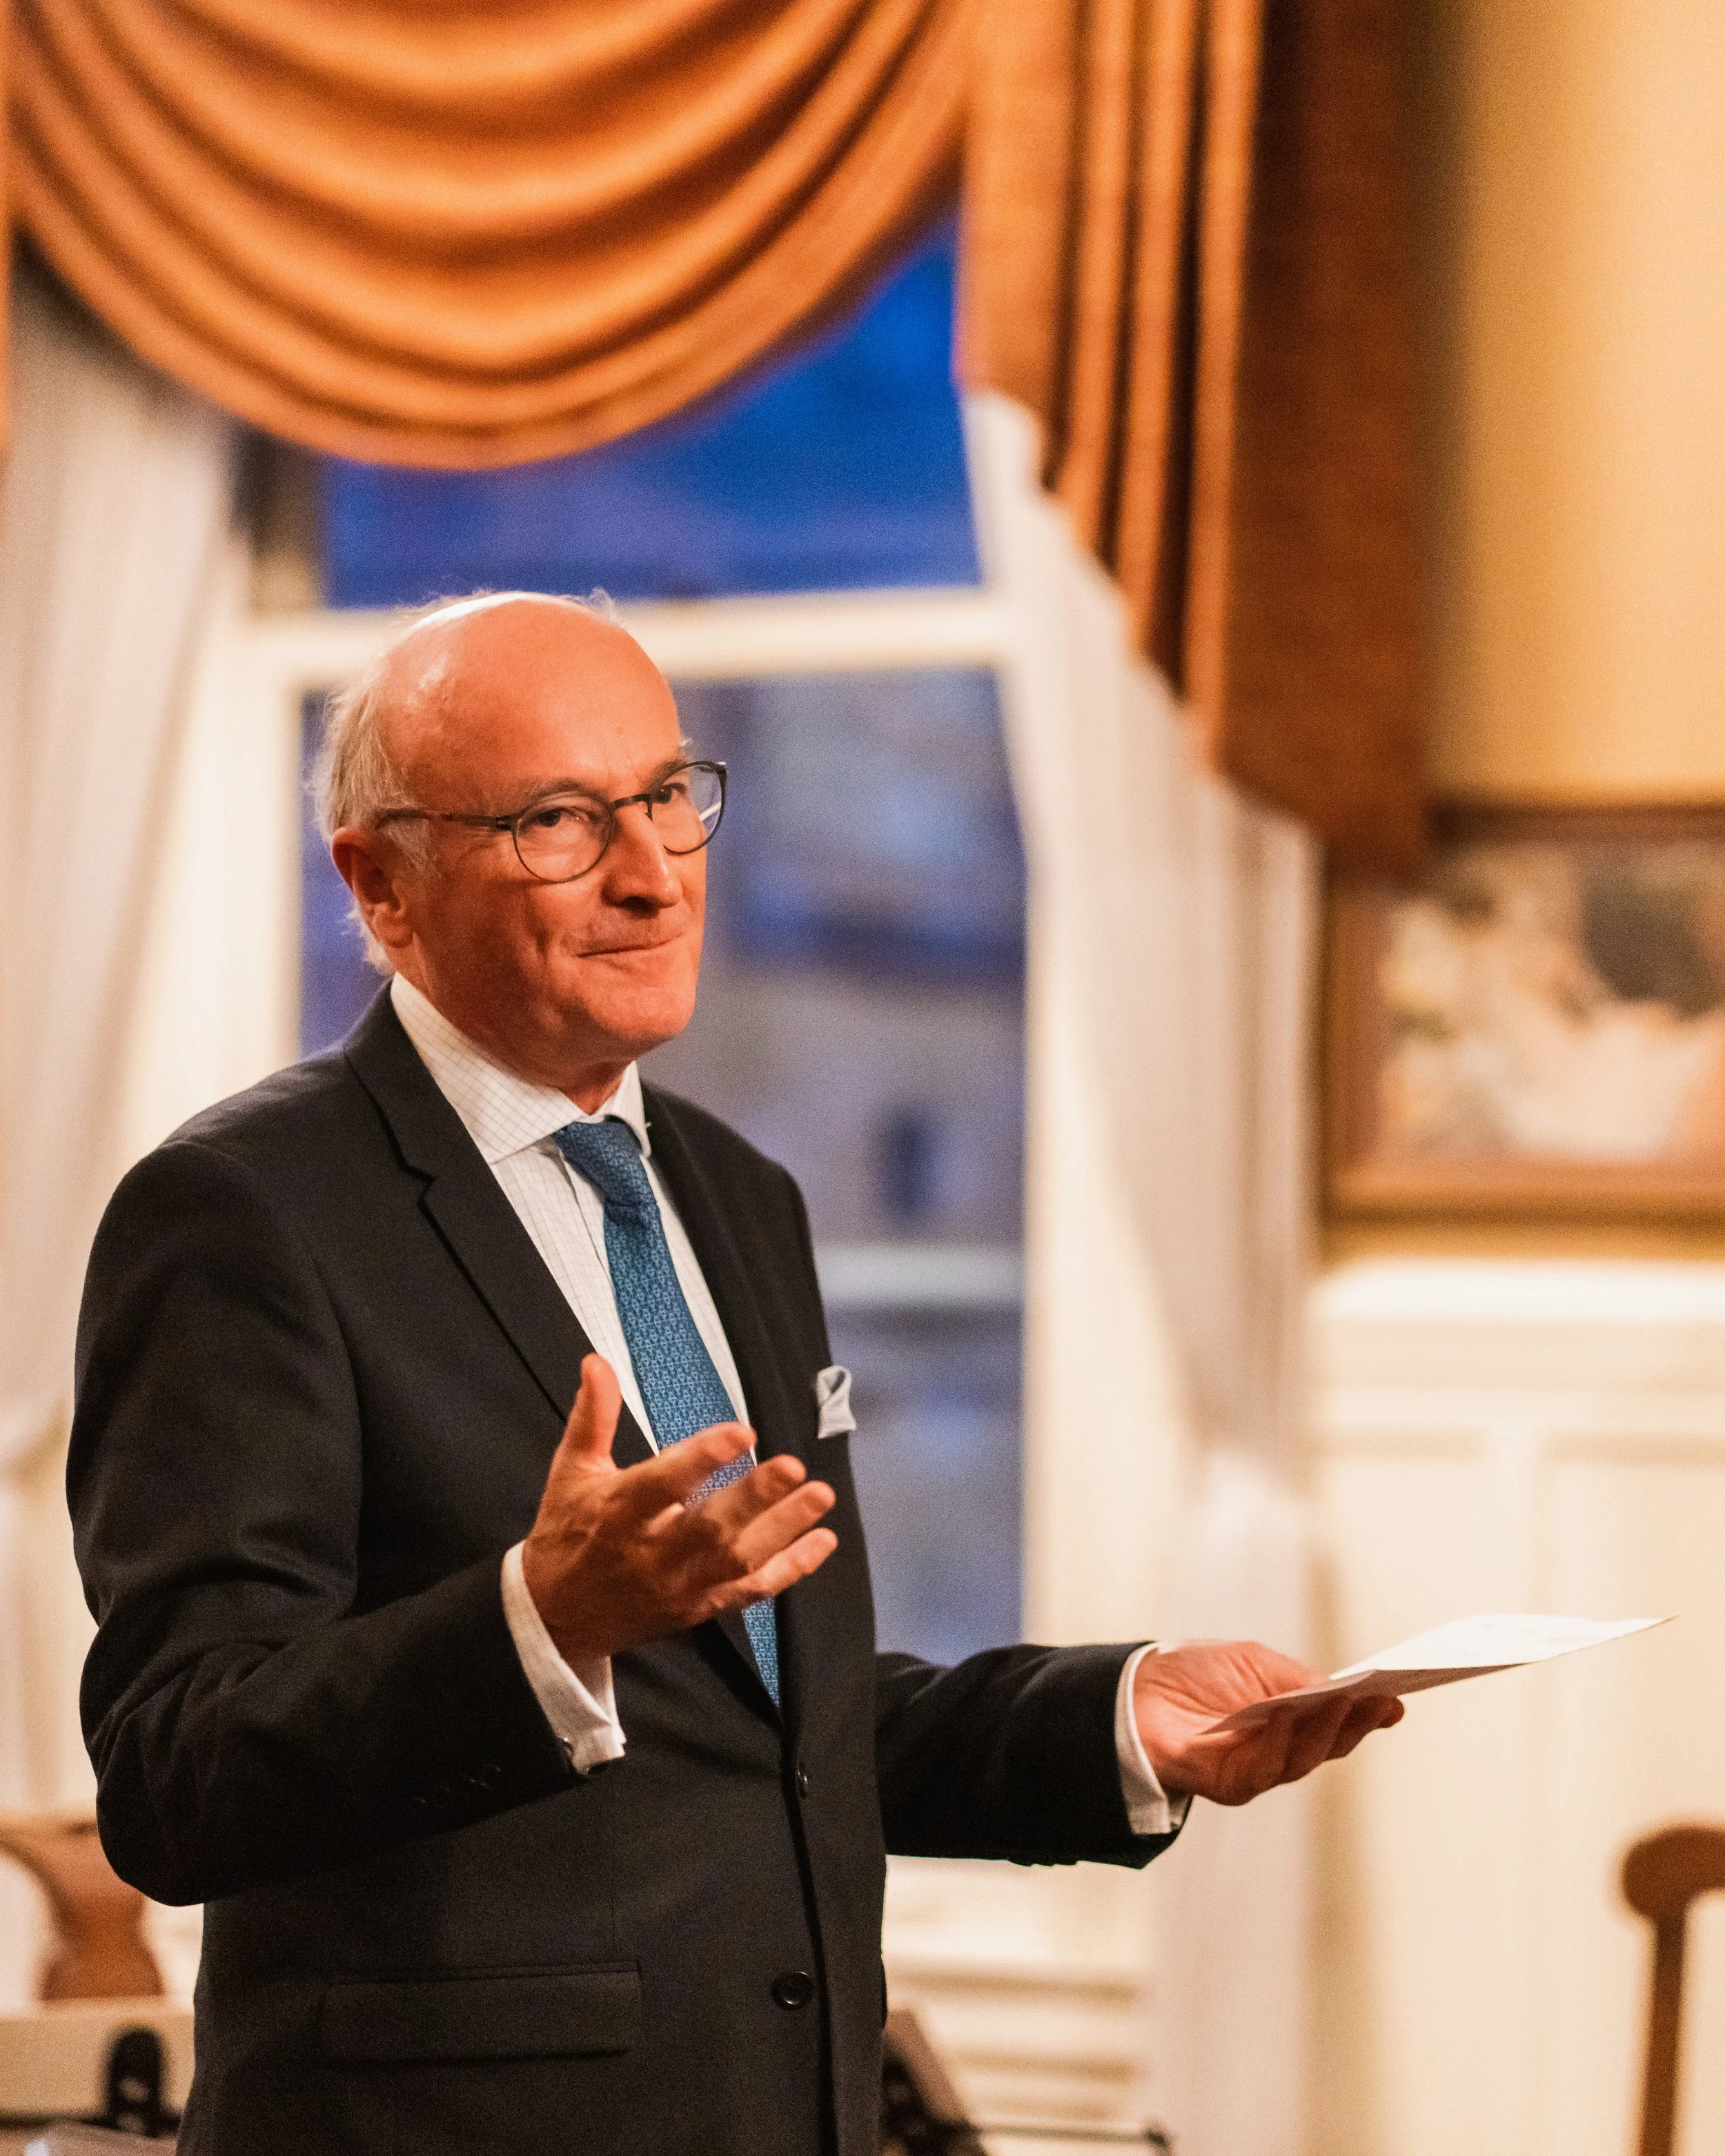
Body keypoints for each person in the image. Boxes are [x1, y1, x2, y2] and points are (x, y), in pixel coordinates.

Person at [68, 594, 1401, 2156]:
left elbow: (774, 1717)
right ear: (382, 883)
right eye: (557, 820)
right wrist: (539, 1620)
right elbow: (176, 1772)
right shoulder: (243, 1209)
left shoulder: (735, 1189)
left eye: (664, 794)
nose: (650, 871)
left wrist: (1109, 1718)